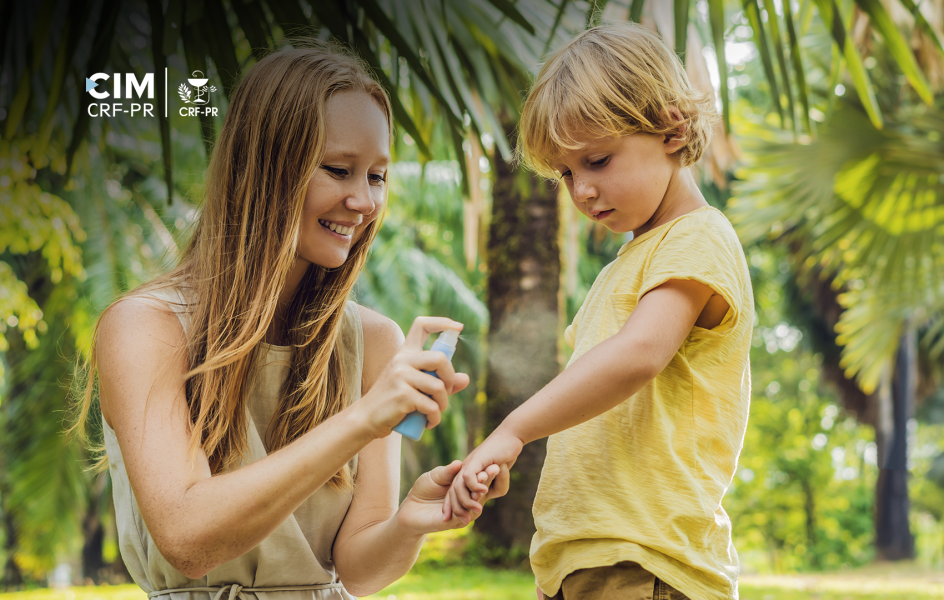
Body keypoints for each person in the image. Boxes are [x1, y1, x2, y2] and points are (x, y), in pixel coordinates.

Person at [72, 43, 505, 600]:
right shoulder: (146, 329)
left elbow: (357, 570)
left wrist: (412, 518)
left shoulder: (371, 341)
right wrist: (364, 419)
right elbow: (186, 535)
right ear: (264, 167)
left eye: (376, 176)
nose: (364, 201)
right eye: (338, 170)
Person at [444, 23, 753, 600]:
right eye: (566, 173)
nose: (582, 189)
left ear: (671, 127)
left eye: (598, 160)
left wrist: (513, 431)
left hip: (644, 559)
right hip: (585, 557)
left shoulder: (698, 238)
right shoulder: (629, 263)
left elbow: (638, 356)